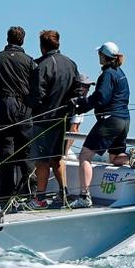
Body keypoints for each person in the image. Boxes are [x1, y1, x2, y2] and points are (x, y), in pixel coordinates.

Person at [69, 42, 132, 209]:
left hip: (110, 120)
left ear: (103, 56)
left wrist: (80, 104)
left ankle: (84, 196)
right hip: (124, 119)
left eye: (99, 54)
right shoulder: (121, 73)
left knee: (84, 156)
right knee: (114, 158)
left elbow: (101, 98)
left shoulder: (107, 74)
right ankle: (131, 156)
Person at [27, 30, 79, 209]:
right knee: (57, 158)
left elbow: (37, 94)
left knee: (42, 160)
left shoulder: (41, 65)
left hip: (44, 119)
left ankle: (40, 198)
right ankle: (64, 193)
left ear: (42, 46)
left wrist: (29, 105)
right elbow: (78, 90)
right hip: (63, 119)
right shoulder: (71, 64)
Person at [0, 26, 36, 201]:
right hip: (23, 106)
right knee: (26, 150)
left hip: (3, 105)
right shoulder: (29, 61)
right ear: (23, 40)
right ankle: (29, 191)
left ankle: (6, 194)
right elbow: (37, 88)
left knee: (6, 150)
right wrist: (30, 106)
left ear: (7, 39)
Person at [65, 73, 95, 156]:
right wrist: (65, 152)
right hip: (63, 147)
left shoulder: (67, 98)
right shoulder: (78, 103)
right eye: (86, 86)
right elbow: (74, 130)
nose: (88, 89)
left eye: (89, 87)